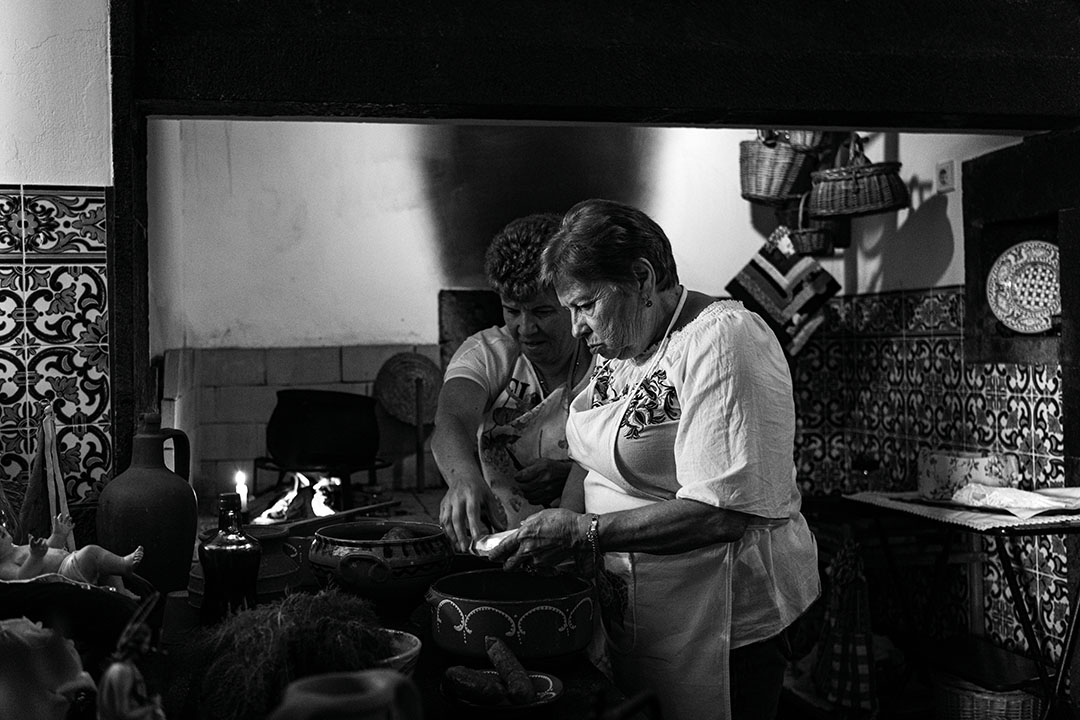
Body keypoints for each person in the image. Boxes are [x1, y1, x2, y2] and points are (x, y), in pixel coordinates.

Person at [489, 199, 821, 720]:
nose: (575, 328)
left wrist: (582, 534)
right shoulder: (620, 347)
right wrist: (570, 556)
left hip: (721, 620)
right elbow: (589, 461)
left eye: (584, 305)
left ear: (641, 279)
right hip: (639, 609)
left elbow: (723, 511)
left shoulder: (725, 341)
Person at [433, 213, 594, 552]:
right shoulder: (489, 353)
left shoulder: (605, 356)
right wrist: (463, 476)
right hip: (502, 540)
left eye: (542, 312)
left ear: (572, 300)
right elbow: (453, 419)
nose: (525, 328)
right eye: (512, 311)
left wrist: (572, 476)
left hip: (589, 542)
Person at [0, 513, 144, 595]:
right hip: (65, 574)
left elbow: (50, 549)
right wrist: (35, 556)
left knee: (107, 566)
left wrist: (58, 535)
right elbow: (21, 578)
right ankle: (124, 564)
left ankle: (121, 592)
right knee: (91, 552)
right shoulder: (3, 567)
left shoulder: (16, 549)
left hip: (70, 561)